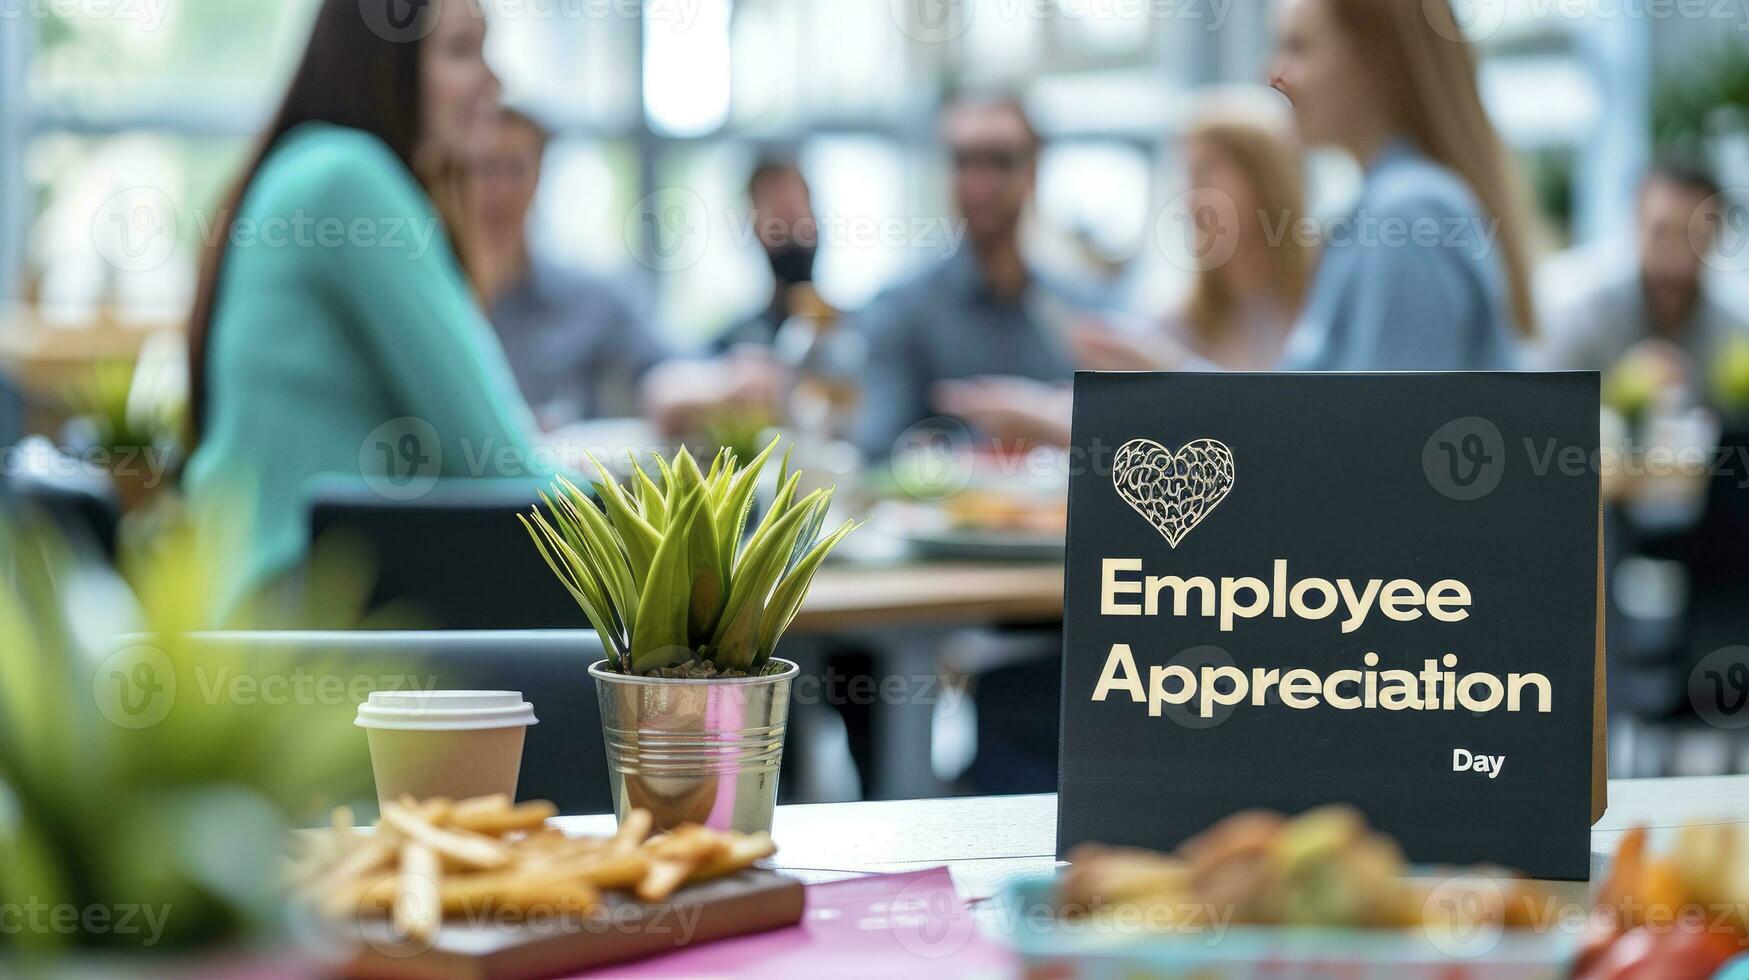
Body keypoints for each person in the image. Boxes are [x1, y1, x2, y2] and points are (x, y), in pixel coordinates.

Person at [183, 0, 543, 599]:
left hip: (259, 597)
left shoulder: (303, 167)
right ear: (382, 62)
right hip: (305, 613)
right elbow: (501, 463)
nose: (494, 80)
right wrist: (655, 510)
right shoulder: (351, 180)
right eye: (460, 50)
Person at [1263, 0, 1537, 370]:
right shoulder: (1385, 210)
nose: (1274, 75)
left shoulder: (1407, 215)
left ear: (1376, 57)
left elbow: (1389, 423)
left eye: (1299, 47)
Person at [853, 95, 1106, 458]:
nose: (980, 183)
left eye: (999, 161)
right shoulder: (901, 310)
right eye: (964, 161)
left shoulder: (1079, 313)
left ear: (1033, 173)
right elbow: (877, 450)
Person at [1076, 100, 1315, 374]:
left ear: (1266, 184)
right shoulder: (1171, 331)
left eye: (1205, 178)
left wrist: (1176, 372)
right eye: (1188, 180)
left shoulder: (1324, 314)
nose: (1189, 203)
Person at [470, 108, 671, 428]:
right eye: (481, 170)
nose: (499, 190)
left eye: (515, 169)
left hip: (568, 473)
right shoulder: (425, 299)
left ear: (538, 176)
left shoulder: (587, 297)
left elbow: (666, 365)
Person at [1537, 163, 1749, 397]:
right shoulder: (1582, 320)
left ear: (1716, 236)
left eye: (1694, 235)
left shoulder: (1734, 333)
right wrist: (1618, 390)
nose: (1676, 254)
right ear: (1636, 223)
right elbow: (1540, 409)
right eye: (1661, 232)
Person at [718, 158, 821, 350]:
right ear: (754, 231)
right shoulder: (736, 346)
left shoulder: (864, 333)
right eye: (778, 227)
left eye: (798, 218)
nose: (793, 235)